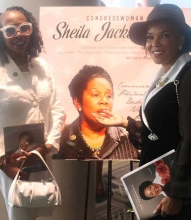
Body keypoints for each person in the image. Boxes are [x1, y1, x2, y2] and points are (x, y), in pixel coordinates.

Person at [92, 4, 191, 219]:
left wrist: (177, 191)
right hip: (158, 177)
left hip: (177, 185)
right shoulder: (165, 76)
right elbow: (160, 132)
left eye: (164, 35)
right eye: (149, 37)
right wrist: (124, 123)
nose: (154, 43)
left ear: (181, 39)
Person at [0, 6, 64, 220]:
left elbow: (57, 108)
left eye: (24, 28)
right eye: (10, 30)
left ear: (32, 30)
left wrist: (50, 143)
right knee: (20, 214)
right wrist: (1, 162)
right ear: (0, 35)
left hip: (41, 154)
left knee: (43, 207)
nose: (18, 34)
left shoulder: (42, 67)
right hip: (10, 160)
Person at [53, 65, 138, 199]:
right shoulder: (62, 138)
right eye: (95, 94)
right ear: (77, 102)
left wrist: (125, 123)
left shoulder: (128, 138)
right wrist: (56, 141)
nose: (104, 101)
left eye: (109, 95)